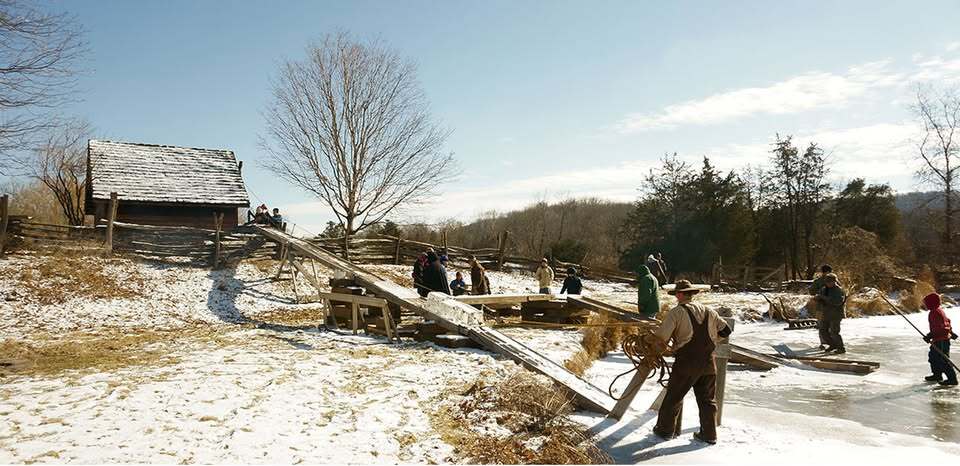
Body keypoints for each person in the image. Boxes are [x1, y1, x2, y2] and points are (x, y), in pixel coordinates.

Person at [652, 280, 732, 444]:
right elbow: (726, 330)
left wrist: (649, 340)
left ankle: (665, 431)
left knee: (674, 396)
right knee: (707, 401)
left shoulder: (677, 312)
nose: (676, 297)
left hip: (687, 363)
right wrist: (714, 341)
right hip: (709, 363)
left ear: (680, 294)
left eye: (676, 294)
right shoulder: (709, 311)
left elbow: (661, 338)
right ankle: (709, 435)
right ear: (692, 294)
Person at [923, 292, 958, 386]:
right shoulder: (939, 311)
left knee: (943, 360)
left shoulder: (934, 312)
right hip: (938, 339)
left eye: (926, 303)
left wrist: (930, 335)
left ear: (931, 303)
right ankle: (937, 375)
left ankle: (952, 379)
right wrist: (951, 332)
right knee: (933, 358)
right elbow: (948, 322)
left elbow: (940, 327)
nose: (925, 305)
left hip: (941, 340)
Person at [816, 273, 846, 354]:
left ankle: (841, 348)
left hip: (836, 314)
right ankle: (832, 345)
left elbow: (837, 302)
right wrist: (818, 298)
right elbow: (820, 298)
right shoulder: (824, 289)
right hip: (826, 313)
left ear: (834, 281)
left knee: (834, 332)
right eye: (827, 282)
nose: (828, 283)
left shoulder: (838, 290)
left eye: (830, 281)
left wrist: (824, 298)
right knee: (823, 331)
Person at [809, 264, 834, 350]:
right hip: (824, 307)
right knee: (824, 325)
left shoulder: (819, 281)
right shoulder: (820, 281)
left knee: (826, 326)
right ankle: (825, 343)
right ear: (827, 272)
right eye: (829, 272)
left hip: (826, 307)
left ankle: (827, 343)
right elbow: (811, 292)